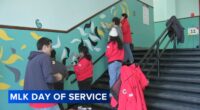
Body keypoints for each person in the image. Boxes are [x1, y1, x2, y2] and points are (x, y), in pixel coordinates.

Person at [24, 37, 62, 110]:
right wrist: (58, 77)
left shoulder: (31, 60)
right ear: (44, 47)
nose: (51, 49)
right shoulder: (45, 57)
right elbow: (49, 78)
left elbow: (27, 80)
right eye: (50, 46)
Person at [73, 45, 93, 109]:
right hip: (87, 78)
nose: (79, 53)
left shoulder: (84, 60)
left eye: (80, 52)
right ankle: (87, 106)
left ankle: (84, 106)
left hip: (83, 79)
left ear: (83, 52)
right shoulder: (87, 58)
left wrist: (74, 65)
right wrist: (78, 58)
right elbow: (82, 63)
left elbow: (79, 70)